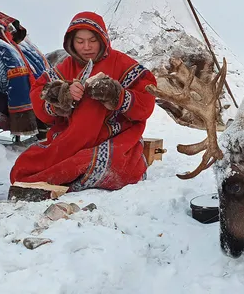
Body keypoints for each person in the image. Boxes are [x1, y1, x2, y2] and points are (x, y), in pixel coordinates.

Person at [10, 11, 157, 191]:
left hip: (110, 138)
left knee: (107, 167)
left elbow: (146, 101)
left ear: (103, 39)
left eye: (92, 40)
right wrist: (63, 94)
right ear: (71, 42)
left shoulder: (122, 63)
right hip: (69, 139)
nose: (86, 47)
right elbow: (39, 96)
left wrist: (116, 95)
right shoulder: (66, 66)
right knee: (22, 169)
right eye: (80, 41)